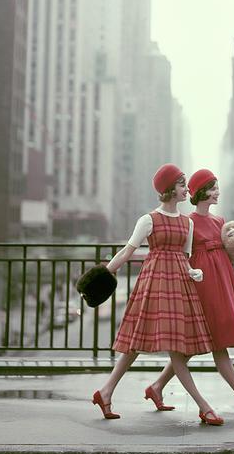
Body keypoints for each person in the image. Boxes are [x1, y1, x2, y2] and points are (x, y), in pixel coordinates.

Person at [91, 163, 224, 425]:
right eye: (181, 184)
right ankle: (204, 406)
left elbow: (185, 257)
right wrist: (104, 274)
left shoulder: (187, 223)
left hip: (179, 286)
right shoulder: (149, 219)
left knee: (151, 345)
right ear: (169, 189)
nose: (186, 189)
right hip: (154, 284)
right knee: (147, 345)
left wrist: (193, 272)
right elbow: (128, 251)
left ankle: (105, 392)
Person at [146, 168, 234, 418]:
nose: (217, 192)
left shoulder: (220, 221)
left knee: (193, 346)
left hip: (223, 281)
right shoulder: (187, 221)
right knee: (216, 344)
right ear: (200, 192)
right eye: (212, 188)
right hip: (201, 283)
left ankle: (156, 387)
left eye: (217, 187)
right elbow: (182, 254)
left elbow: (233, 251)